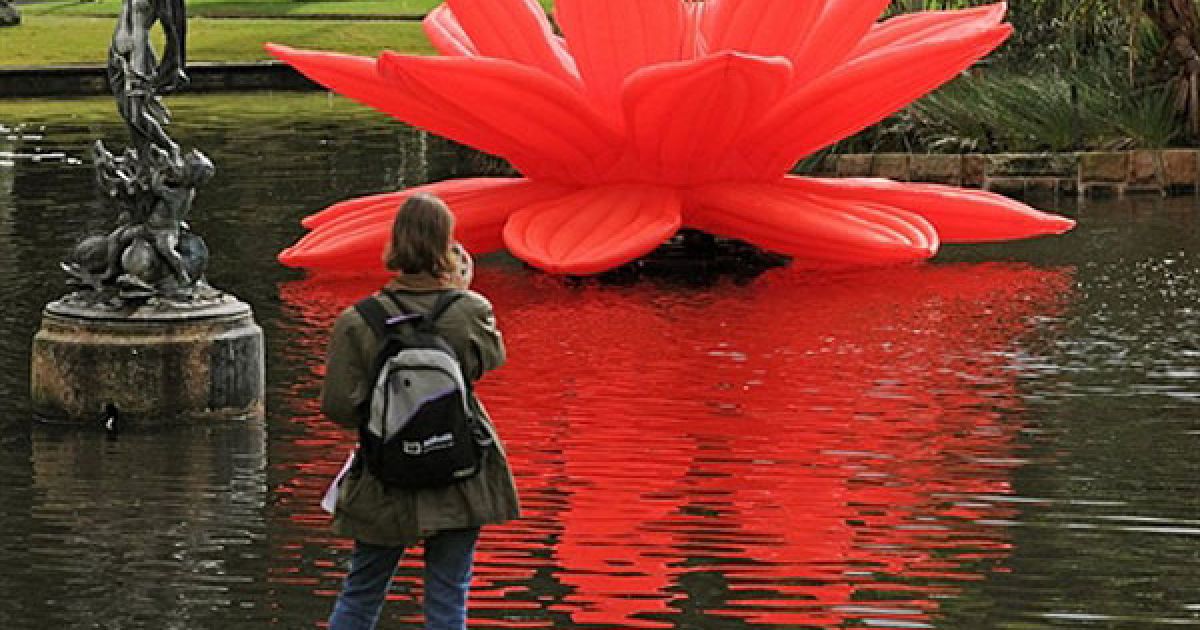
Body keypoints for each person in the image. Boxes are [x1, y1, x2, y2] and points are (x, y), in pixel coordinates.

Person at [320, 193, 520, 630]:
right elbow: (491, 361)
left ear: (394, 243)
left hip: (384, 476)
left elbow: (337, 407)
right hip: (459, 474)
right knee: (448, 598)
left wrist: (389, 417)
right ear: (448, 245)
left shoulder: (357, 321)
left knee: (361, 593)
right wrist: (461, 292)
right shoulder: (468, 311)